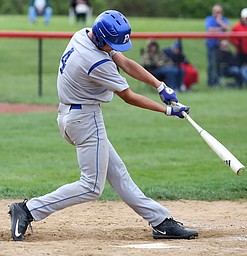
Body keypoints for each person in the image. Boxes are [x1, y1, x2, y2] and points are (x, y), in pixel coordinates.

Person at [8, 10, 198, 242]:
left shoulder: (83, 35)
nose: (114, 49)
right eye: (111, 44)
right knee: (91, 187)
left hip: (71, 115)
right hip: (85, 120)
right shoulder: (96, 61)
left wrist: (160, 86)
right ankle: (28, 210)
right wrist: (167, 110)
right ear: (101, 39)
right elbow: (128, 96)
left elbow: (125, 62)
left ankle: (160, 221)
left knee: (118, 175)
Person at [205, 4, 230, 87]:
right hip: (211, 45)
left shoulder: (224, 20)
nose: (217, 13)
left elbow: (228, 28)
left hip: (221, 46)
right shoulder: (209, 19)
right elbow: (210, 30)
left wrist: (220, 22)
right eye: (216, 11)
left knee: (219, 64)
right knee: (211, 64)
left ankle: (217, 81)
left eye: (219, 11)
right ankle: (211, 82)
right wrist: (221, 28)